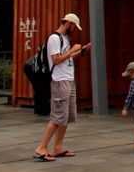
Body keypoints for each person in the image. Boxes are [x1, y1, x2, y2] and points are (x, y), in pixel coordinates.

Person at [33, 13, 90, 162]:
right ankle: (41, 148)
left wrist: (81, 51)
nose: (74, 30)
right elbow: (56, 60)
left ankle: (58, 147)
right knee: (58, 116)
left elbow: (67, 59)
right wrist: (71, 50)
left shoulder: (65, 39)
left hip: (69, 80)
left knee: (67, 117)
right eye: (74, 27)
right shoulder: (54, 38)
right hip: (59, 81)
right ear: (69, 23)